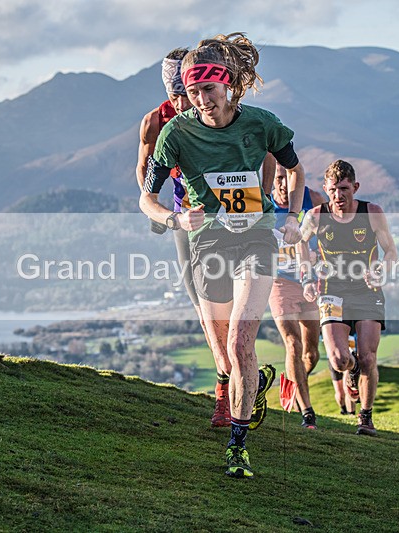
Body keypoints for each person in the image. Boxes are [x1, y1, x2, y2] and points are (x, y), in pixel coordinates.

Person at [140, 33, 306, 478]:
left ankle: (237, 445)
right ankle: (251, 386)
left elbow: (294, 167)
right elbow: (146, 197)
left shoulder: (261, 123)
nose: (201, 100)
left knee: (239, 341)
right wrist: (174, 220)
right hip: (209, 246)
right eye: (192, 92)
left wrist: (290, 214)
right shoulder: (176, 132)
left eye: (208, 90)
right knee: (224, 354)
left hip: (256, 239)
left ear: (229, 84)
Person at [135, 48, 228, 427]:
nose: (183, 100)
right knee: (201, 305)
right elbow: (143, 167)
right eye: (176, 94)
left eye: (186, 91)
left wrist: (265, 197)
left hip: (235, 217)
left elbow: (261, 148)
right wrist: (160, 211)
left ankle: (238, 374)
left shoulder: (218, 107)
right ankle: (228, 382)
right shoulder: (156, 121)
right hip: (187, 216)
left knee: (235, 307)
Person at [300, 159, 398, 436]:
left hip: (367, 292)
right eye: (332, 190)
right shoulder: (316, 216)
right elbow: (300, 244)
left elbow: (391, 252)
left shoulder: (372, 213)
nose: (338, 196)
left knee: (368, 356)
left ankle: (365, 418)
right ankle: (350, 369)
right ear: (325, 188)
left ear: (355, 187)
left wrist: (380, 270)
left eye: (344, 189)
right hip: (332, 291)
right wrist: (307, 277)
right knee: (338, 360)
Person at [268, 163, 325, 429]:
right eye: (278, 178)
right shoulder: (263, 203)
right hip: (278, 282)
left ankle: (292, 380)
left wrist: (319, 255)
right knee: (293, 344)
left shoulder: (311, 199)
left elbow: (330, 232)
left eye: (288, 178)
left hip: (308, 281)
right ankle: (307, 413)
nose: (282, 185)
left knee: (311, 354)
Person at [330, 336, 357, 416]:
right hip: (334, 361)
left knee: (346, 388)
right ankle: (344, 410)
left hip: (348, 359)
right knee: (340, 393)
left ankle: (350, 413)